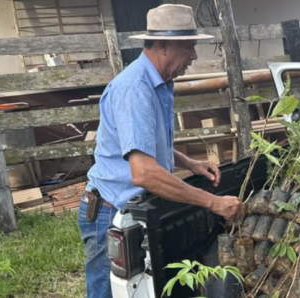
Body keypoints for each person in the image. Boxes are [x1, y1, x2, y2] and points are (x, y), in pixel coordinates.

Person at [78, 4, 242, 298]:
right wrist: (213, 203)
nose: (193, 55)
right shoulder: (134, 89)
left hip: (133, 210)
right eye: (188, 47)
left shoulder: (160, 84)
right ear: (163, 45)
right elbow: (143, 173)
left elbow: (143, 145)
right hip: (109, 213)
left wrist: (189, 162)